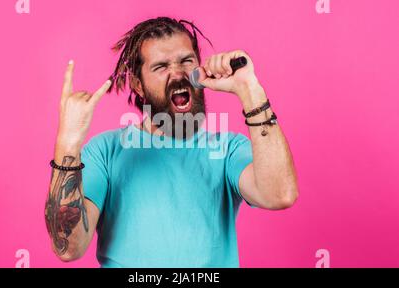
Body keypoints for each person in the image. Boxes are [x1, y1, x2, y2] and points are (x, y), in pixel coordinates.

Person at [45, 17, 299, 268]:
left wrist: (249, 89)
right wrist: (68, 143)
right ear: (138, 84)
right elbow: (68, 247)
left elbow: (280, 195)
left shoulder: (229, 150)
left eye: (186, 61)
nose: (178, 74)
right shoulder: (105, 152)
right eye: (161, 66)